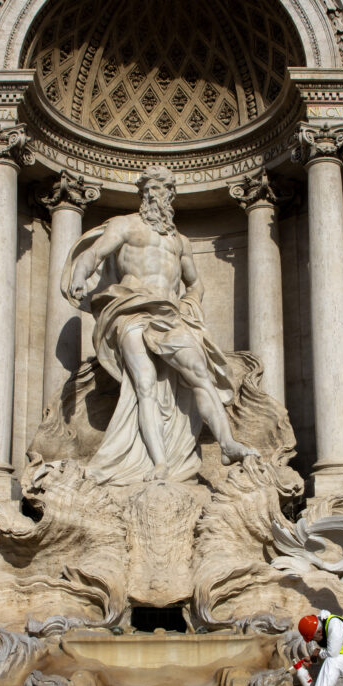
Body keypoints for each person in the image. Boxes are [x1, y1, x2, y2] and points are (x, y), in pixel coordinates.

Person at [63, 166, 260, 484]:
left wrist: (190, 303)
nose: (160, 196)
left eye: (166, 191)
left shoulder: (180, 241)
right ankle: (159, 463)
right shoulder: (124, 225)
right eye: (154, 190)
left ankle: (227, 444)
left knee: (201, 376)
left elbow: (195, 283)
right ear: (144, 195)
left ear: (172, 197)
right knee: (145, 385)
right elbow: (94, 254)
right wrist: (78, 277)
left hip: (170, 315)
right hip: (131, 310)